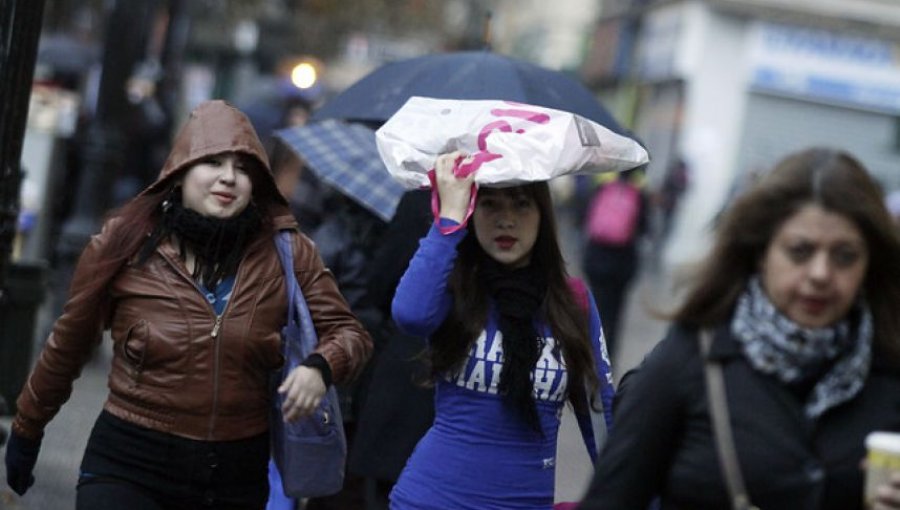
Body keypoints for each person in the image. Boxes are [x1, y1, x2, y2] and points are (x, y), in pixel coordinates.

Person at [3, 100, 372, 510]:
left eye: (243, 167)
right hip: (128, 465)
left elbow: (351, 334)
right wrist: (27, 427)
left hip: (233, 477)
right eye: (212, 162)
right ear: (180, 172)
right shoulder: (123, 243)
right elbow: (68, 344)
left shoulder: (289, 252)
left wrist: (320, 367)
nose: (228, 178)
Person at [579, 147, 900, 510]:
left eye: (845, 256)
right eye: (800, 251)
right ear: (761, 252)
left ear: (871, 263)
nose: (821, 274)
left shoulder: (888, 369)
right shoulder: (689, 361)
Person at [388, 151, 615, 509]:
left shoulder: (572, 300)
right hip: (431, 498)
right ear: (472, 212)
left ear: (543, 217)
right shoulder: (454, 285)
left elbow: (604, 412)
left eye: (522, 205)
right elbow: (409, 315)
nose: (506, 220)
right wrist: (448, 222)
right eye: (490, 205)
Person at [581, 166, 649, 360]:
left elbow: (584, 217)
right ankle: (606, 356)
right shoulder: (639, 195)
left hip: (597, 259)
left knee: (595, 306)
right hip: (622, 263)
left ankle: (587, 350)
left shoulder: (602, 189)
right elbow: (644, 228)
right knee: (616, 313)